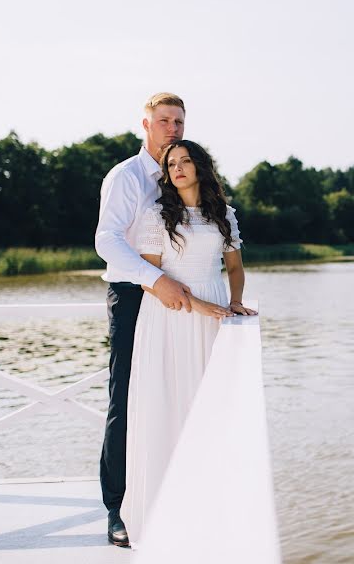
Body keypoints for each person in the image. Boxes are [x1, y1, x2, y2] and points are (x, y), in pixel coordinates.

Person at [120, 139, 256, 550]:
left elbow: (234, 266)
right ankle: (163, 512)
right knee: (169, 403)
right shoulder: (157, 215)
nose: (177, 169)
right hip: (170, 317)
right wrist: (195, 304)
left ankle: (210, 507)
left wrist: (233, 302)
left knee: (207, 406)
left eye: (185, 161)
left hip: (214, 315)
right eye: (171, 164)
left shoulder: (223, 215)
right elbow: (149, 277)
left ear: (200, 166)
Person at [95, 92, 193, 547]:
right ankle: (118, 510)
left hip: (176, 299)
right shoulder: (126, 176)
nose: (172, 128)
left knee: (172, 394)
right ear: (146, 125)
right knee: (126, 399)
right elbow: (107, 241)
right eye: (164, 121)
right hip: (135, 294)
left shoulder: (183, 176)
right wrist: (153, 280)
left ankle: (172, 491)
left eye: (178, 121)